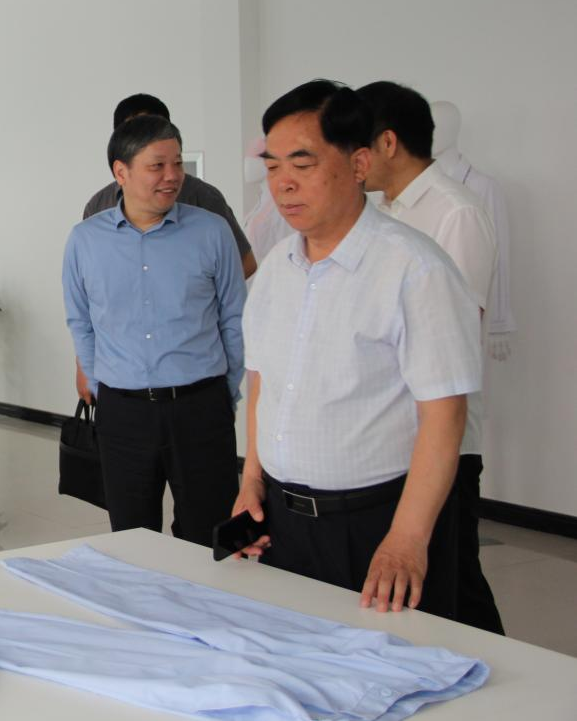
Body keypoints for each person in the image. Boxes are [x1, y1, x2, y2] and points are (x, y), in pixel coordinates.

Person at [233, 80, 482, 618]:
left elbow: (445, 414)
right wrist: (251, 481)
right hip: (283, 520)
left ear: (359, 163)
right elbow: (262, 383)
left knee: (392, 662)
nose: (283, 184)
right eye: (273, 167)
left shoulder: (415, 269)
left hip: (377, 520)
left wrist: (407, 539)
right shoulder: (275, 269)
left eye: (303, 163)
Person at [359, 80, 503, 634]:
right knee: (423, 587)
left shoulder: (455, 212)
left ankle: (503, 675)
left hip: (442, 439)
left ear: (388, 142)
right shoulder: (384, 211)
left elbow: (455, 332)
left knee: (455, 579)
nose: (351, 159)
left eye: (358, 144)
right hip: (391, 435)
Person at [63, 114, 246, 545]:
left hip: (201, 407)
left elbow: (234, 318)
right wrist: (102, 386)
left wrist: (225, 393)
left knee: (209, 536)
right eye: (157, 166)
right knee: (132, 539)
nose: (172, 176)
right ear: (121, 172)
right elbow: (80, 321)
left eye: (177, 163)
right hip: (123, 414)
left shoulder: (212, 231)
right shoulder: (85, 240)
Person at [76, 93, 255, 405]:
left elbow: (244, 266)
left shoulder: (203, 201)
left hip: (193, 376)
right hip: (124, 386)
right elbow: (86, 307)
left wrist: (190, 297)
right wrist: (84, 367)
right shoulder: (97, 210)